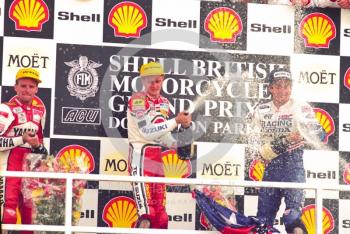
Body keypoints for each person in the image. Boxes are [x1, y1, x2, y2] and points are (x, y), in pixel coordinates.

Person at [247, 68, 325, 234]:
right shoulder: (260, 110)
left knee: (292, 217)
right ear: (271, 88)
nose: (283, 90)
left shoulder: (301, 107)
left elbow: (321, 134)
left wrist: (305, 132)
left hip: (293, 167)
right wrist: (261, 153)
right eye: (279, 86)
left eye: (287, 86)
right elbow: (253, 143)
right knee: (263, 222)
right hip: (270, 169)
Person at [127, 61, 192, 229]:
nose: (154, 85)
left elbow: (163, 137)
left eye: (157, 81)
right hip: (140, 158)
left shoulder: (164, 102)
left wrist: (178, 143)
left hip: (156, 160)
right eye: (150, 81)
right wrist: (176, 120)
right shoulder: (138, 100)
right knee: (146, 216)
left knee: (161, 217)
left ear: (163, 79)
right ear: (143, 81)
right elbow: (147, 132)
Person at [0, 68, 47, 228]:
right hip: (9, 165)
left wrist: (37, 147)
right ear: (16, 87)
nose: (27, 90)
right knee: (8, 210)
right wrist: (22, 139)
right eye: (23, 86)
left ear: (37, 89)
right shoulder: (6, 109)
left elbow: (41, 145)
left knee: (30, 211)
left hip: (30, 167)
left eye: (31, 86)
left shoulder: (40, 110)